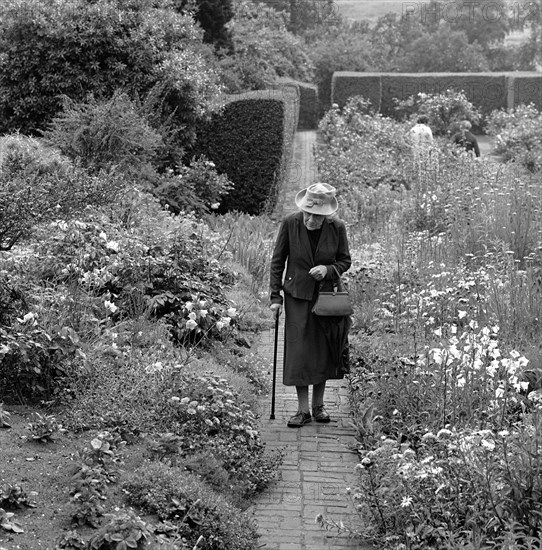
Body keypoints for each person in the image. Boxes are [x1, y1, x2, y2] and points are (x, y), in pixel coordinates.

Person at [269, 182, 352, 428]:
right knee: (299, 352)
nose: (309, 219)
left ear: (325, 214)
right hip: (296, 296)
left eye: (315, 215)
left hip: (325, 299)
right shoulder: (290, 223)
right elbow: (277, 261)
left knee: (322, 351)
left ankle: (319, 406)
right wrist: (276, 297)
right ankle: (302, 410)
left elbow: (345, 261)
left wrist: (328, 270)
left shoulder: (337, 228)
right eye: (307, 212)